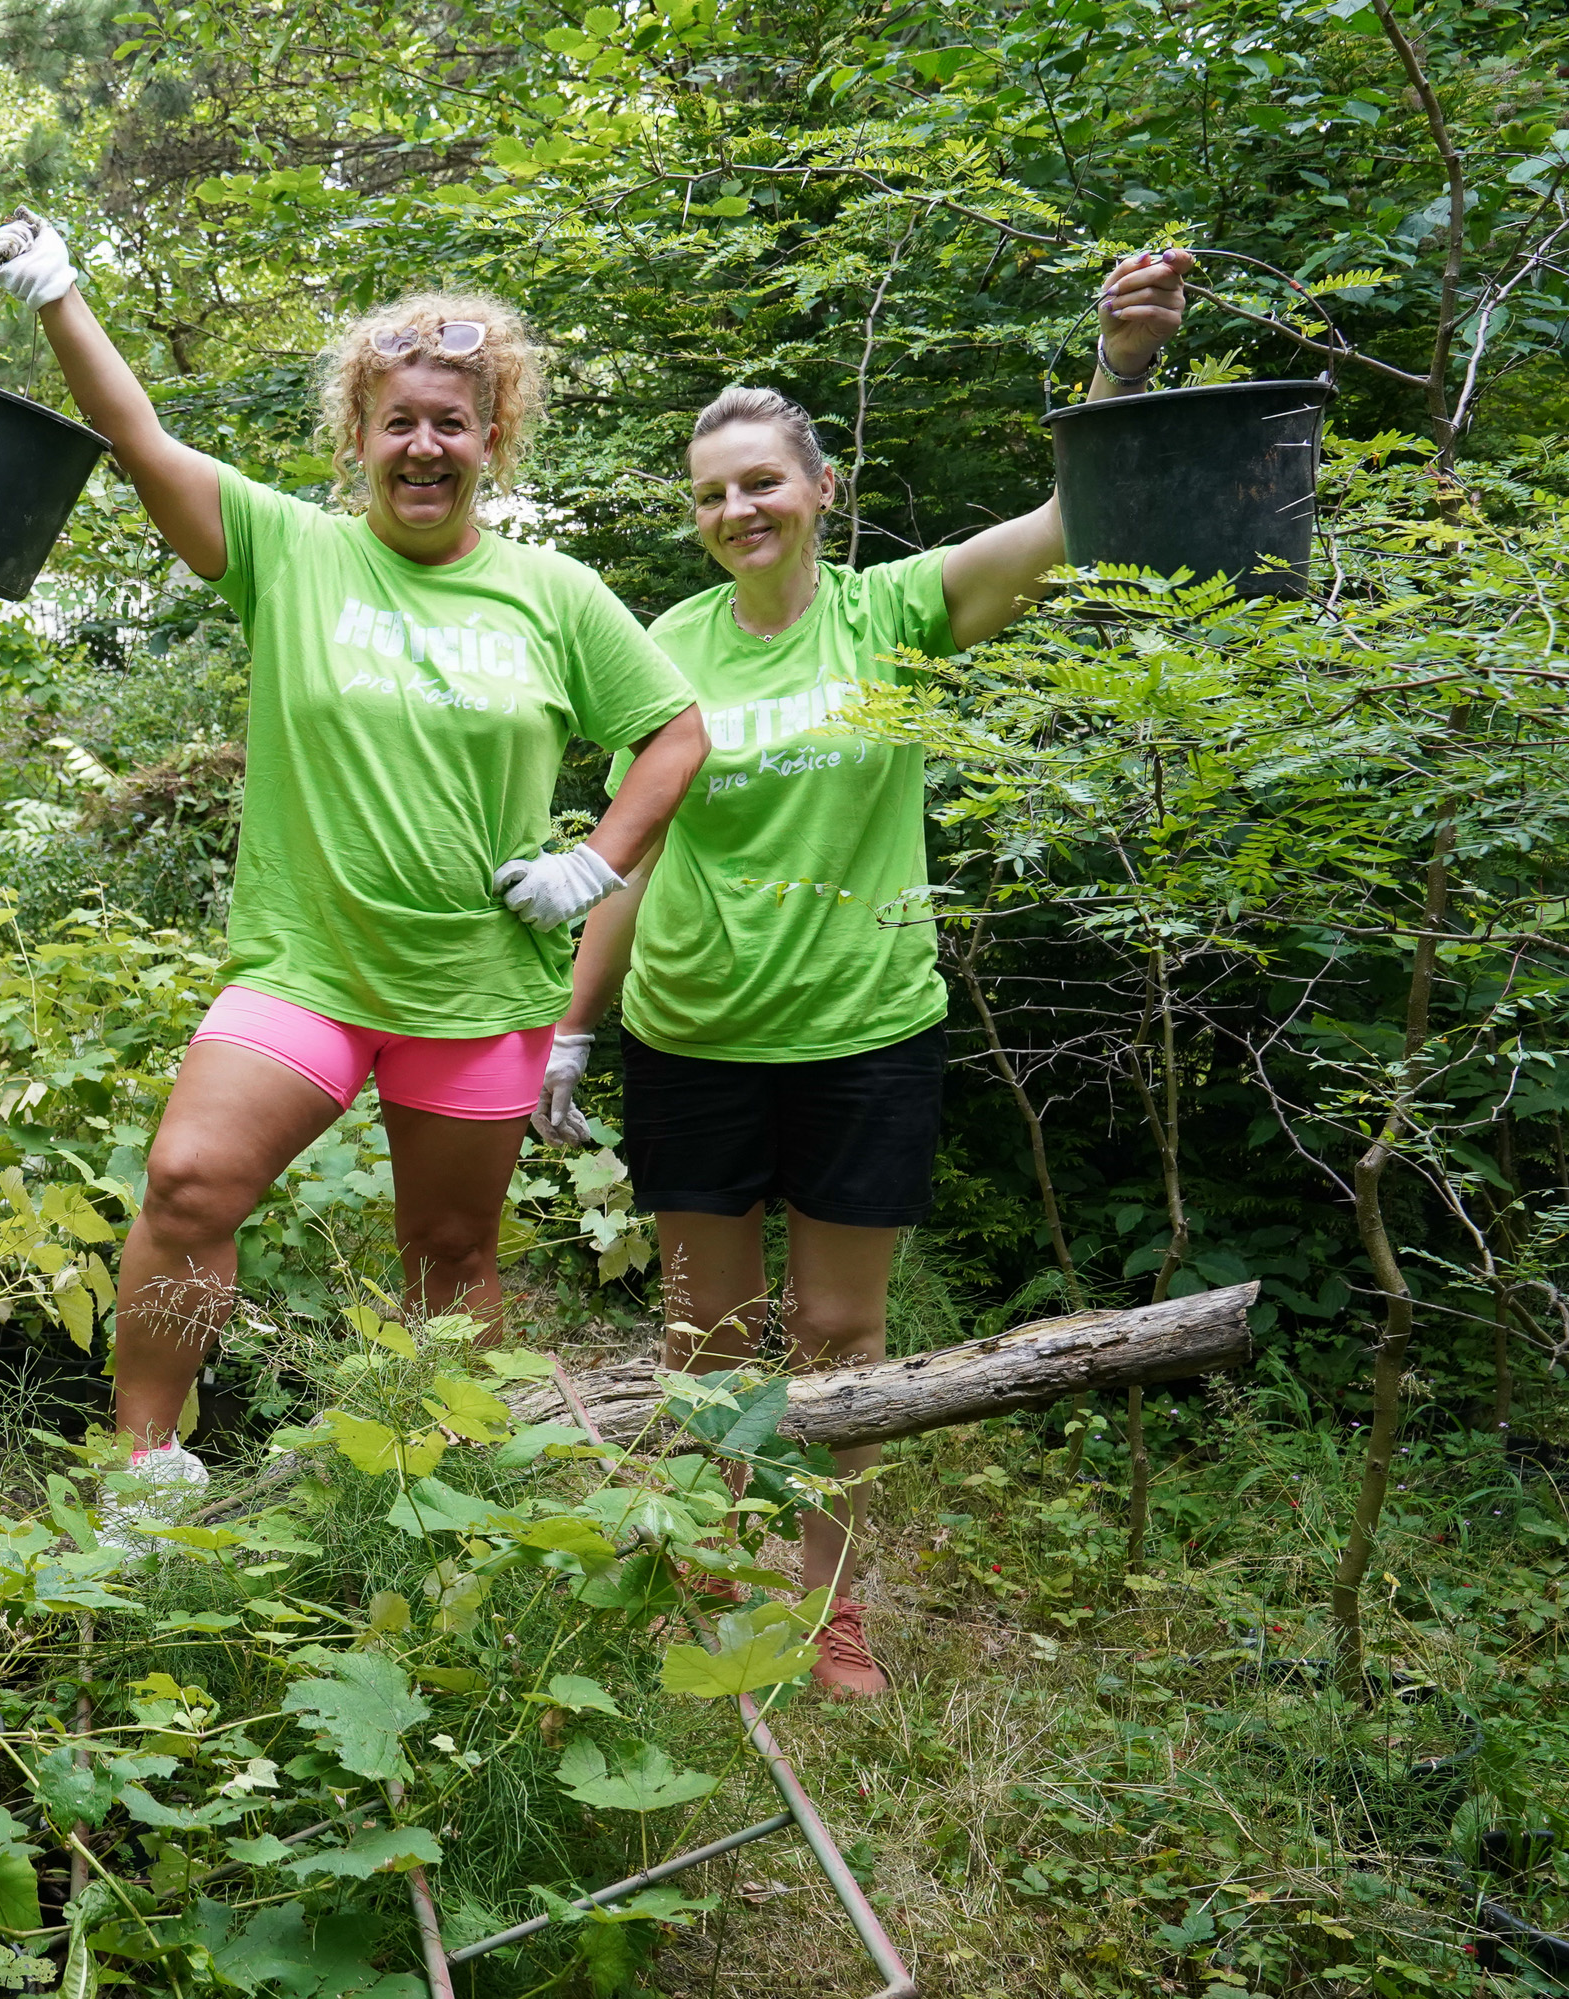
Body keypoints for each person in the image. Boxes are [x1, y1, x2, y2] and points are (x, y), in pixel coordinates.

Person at [538, 249, 1199, 1695]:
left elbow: (1067, 522)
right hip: (693, 1033)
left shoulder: (889, 612)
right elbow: (630, 852)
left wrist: (1119, 368)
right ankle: (709, 1575)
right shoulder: (663, 651)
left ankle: (823, 1606)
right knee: (705, 1333)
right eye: (710, 493)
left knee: (840, 1338)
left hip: (863, 1035)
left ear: (818, 488)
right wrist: (569, 1031)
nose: (735, 510)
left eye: (760, 482)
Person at [0, 214, 709, 1530]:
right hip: (306, 966)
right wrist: (58, 297)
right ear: (357, 437)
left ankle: (438, 1499)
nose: (423, 445)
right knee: (188, 1184)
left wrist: (595, 865)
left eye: (451, 423)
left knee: (450, 1249)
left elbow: (674, 733)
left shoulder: (550, 595)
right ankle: (143, 1478)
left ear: (492, 437)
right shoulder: (292, 553)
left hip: (472, 983)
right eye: (397, 422)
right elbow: (138, 440)